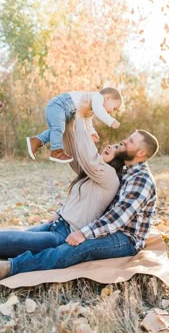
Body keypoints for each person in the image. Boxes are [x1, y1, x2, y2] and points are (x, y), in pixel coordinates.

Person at [0, 128, 159, 279]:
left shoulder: (141, 180)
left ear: (141, 153)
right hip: (98, 228)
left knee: (80, 248)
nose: (124, 141)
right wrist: (62, 211)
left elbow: (118, 218)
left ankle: (12, 267)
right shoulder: (125, 170)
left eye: (130, 141)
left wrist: (84, 233)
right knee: (11, 241)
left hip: (126, 238)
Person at [0, 116, 125, 259]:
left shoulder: (110, 177)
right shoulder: (92, 172)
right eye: (112, 144)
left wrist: (81, 118)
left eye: (116, 147)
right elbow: (73, 151)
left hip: (64, 235)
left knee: (11, 241)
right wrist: (70, 123)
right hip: (56, 224)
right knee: (10, 239)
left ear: (120, 159)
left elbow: (87, 153)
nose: (110, 146)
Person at [26, 87, 122, 163]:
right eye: (114, 108)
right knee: (58, 129)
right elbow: (99, 111)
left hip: (63, 110)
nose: (111, 112)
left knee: (56, 130)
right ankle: (56, 151)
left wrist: (91, 132)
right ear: (108, 98)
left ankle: (35, 141)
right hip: (59, 105)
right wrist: (111, 121)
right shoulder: (98, 97)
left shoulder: (92, 106)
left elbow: (87, 121)